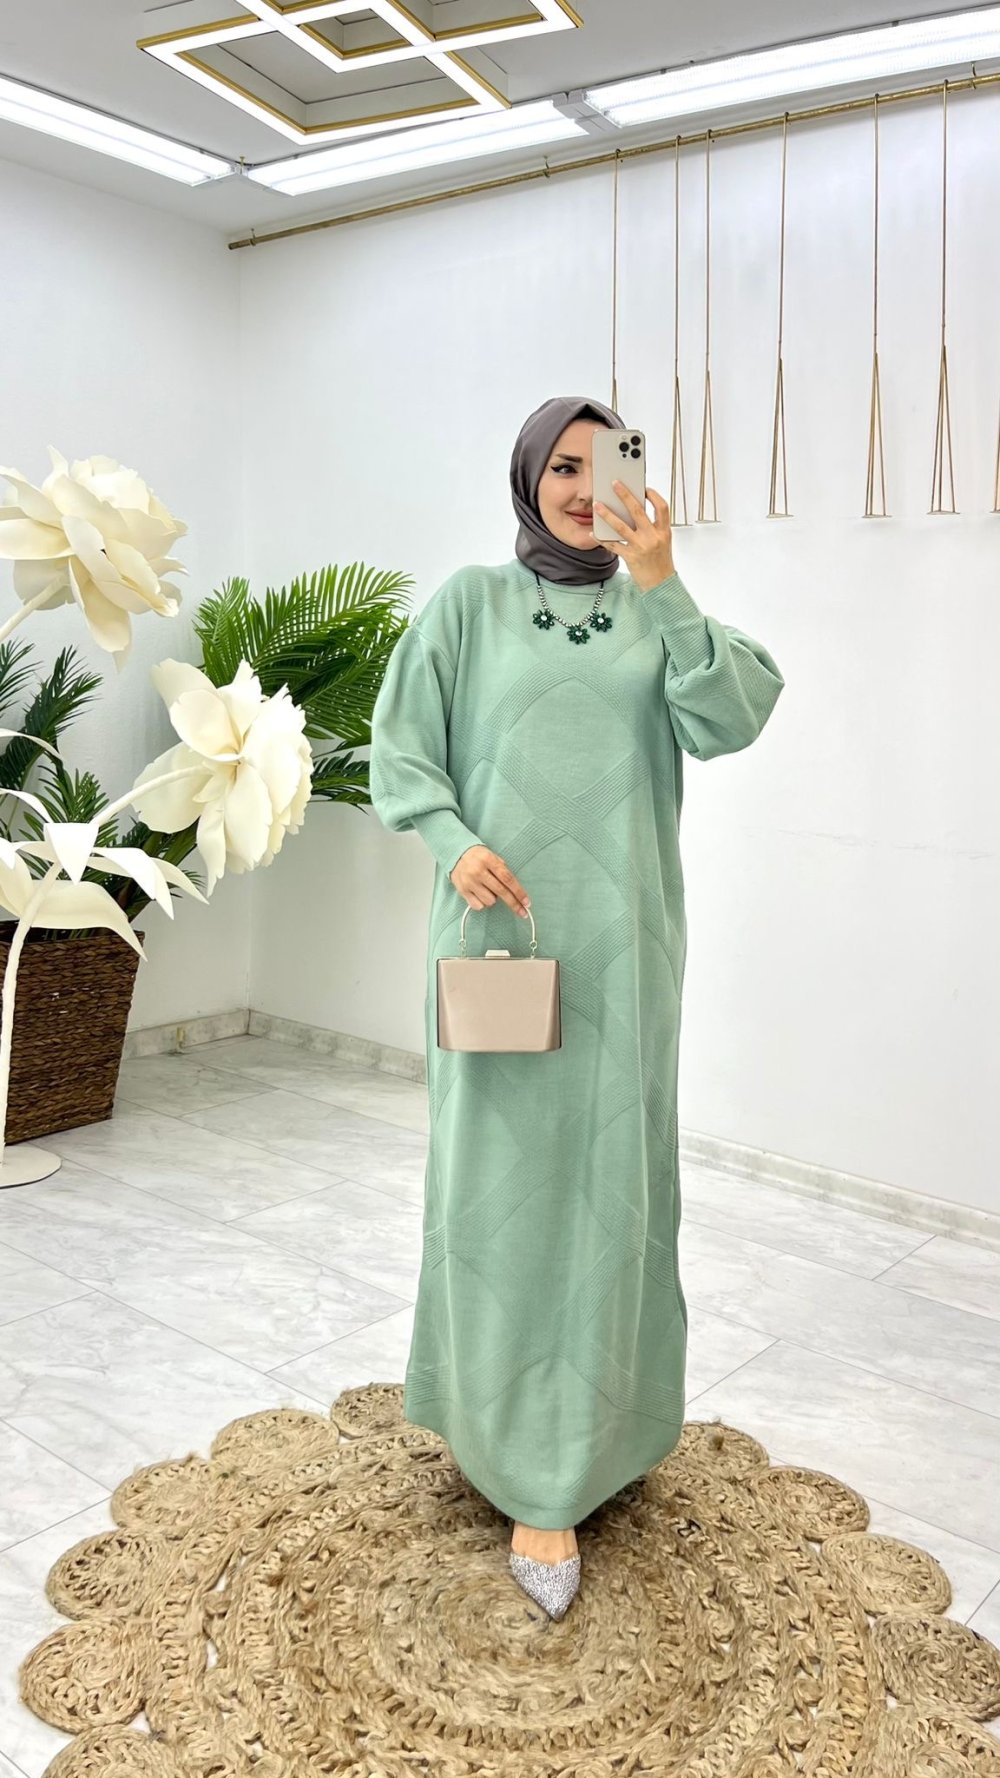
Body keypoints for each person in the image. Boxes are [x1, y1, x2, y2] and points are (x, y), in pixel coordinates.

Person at [368, 394, 785, 1620]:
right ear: (525, 476)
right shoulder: (467, 605)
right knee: (492, 1187)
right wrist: (451, 839)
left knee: (611, 1186)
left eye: (600, 463)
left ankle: (590, 1437)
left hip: (623, 951)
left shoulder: (657, 610)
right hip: (496, 939)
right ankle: (501, 1437)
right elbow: (403, 749)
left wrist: (665, 583)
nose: (578, 485)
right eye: (559, 464)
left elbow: (731, 718)